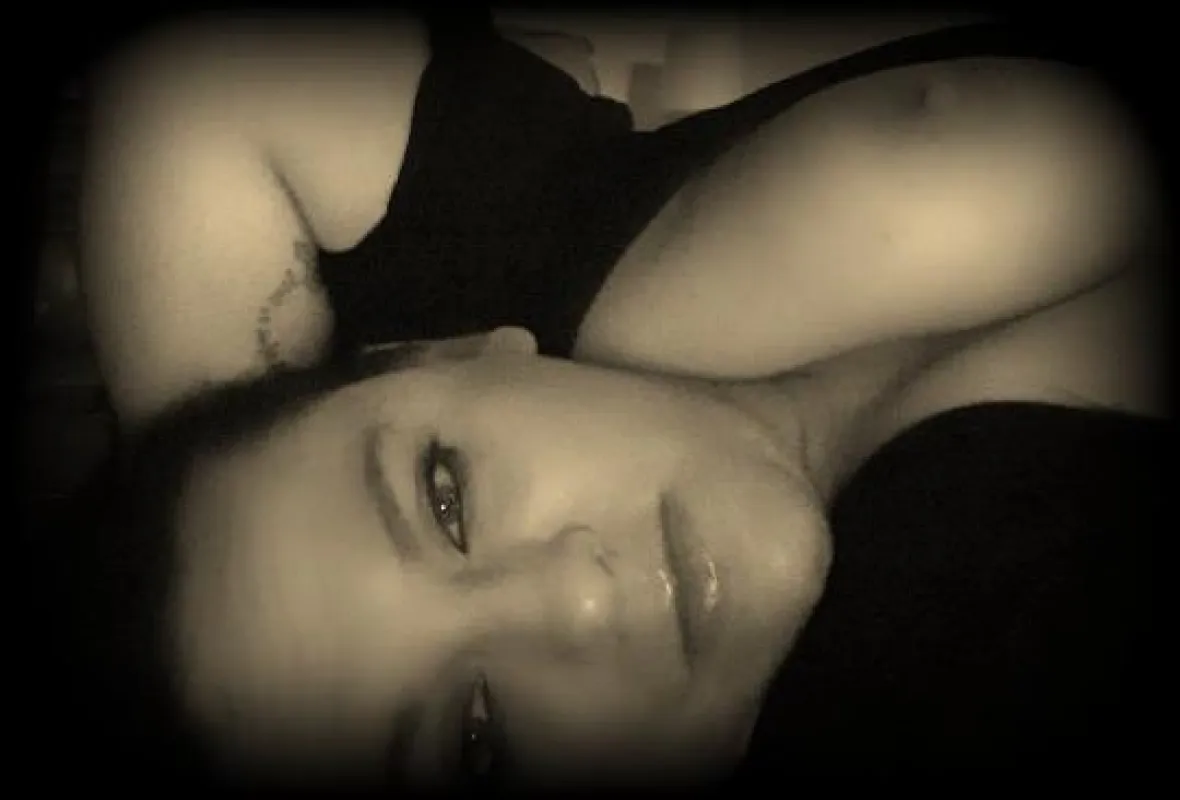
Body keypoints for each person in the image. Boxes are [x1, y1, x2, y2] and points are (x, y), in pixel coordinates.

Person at [49, 10, 1164, 790]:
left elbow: (196, 81)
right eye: (476, 744)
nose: (577, 600)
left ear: (444, 347)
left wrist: (186, 544)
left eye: (447, 499)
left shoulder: (536, 260)